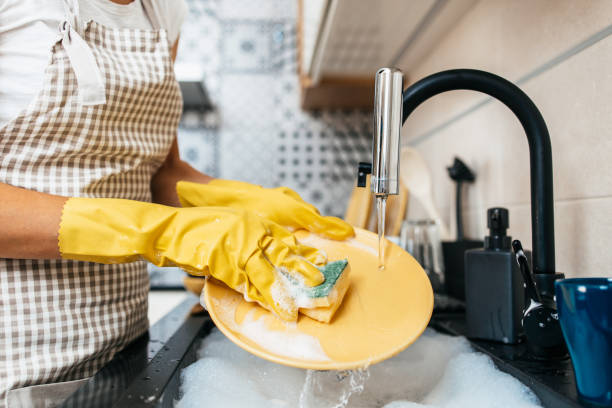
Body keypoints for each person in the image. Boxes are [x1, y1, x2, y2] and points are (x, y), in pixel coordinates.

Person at [0, 0, 354, 406]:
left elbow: (160, 173)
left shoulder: (164, 11)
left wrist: (243, 203)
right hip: (21, 366)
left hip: (124, 354)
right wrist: (166, 232)